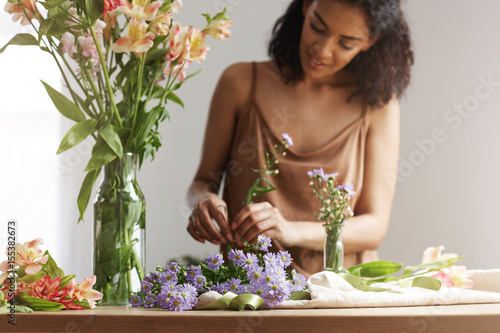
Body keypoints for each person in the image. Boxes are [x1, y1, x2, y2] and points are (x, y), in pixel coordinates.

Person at [186, 0, 413, 277]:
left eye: (346, 43)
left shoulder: (378, 106)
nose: (322, 50)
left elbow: (374, 227)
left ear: (370, 41)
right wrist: (203, 202)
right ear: (306, 6)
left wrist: (290, 230)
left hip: (345, 295)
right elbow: (202, 183)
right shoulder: (240, 82)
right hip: (253, 292)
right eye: (318, 27)